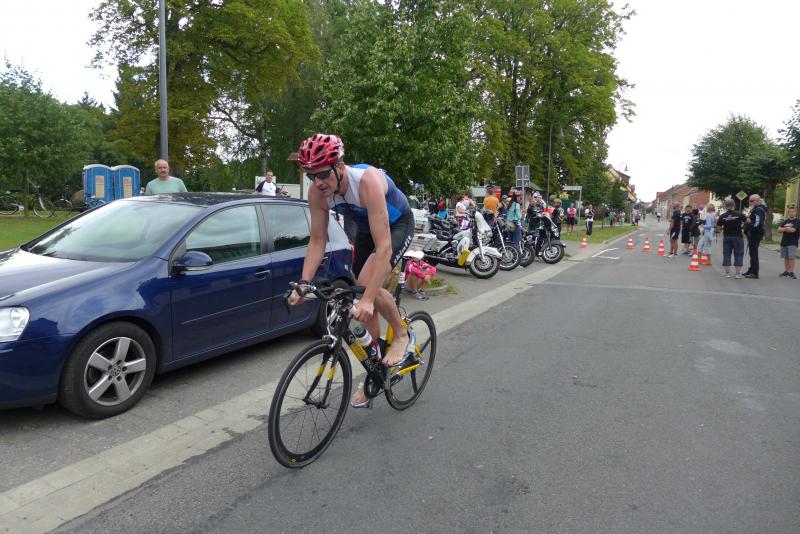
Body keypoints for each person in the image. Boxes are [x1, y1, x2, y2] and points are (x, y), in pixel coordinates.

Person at [287, 133, 414, 408]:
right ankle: (376, 368)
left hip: (397, 224)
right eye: (311, 176)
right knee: (361, 295)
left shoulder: (366, 182)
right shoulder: (318, 193)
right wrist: (304, 283)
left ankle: (401, 334)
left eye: (323, 174)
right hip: (366, 228)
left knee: (369, 288)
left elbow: (384, 248)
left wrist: (368, 298)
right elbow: (317, 240)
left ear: (340, 167)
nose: (318, 182)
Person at [716, 198, 746, 278]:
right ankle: (737, 274)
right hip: (738, 237)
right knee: (739, 254)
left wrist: (721, 230)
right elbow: (748, 221)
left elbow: (718, 228)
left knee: (727, 254)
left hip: (727, 237)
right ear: (734, 205)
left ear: (725, 206)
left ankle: (727, 273)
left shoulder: (723, 216)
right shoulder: (739, 215)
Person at [743, 194, 766, 279]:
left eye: (751, 201)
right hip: (753, 234)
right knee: (752, 253)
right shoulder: (755, 209)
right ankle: (751, 269)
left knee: (754, 254)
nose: (750, 202)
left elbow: (758, 223)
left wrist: (749, 228)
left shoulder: (758, 210)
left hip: (755, 234)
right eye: (749, 201)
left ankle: (754, 272)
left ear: (758, 201)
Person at [777, 204, 798, 279]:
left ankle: (791, 272)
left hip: (792, 242)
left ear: (795, 212)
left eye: (793, 211)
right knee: (786, 257)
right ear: (788, 213)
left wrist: (784, 229)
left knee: (791, 257)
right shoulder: (785, 221)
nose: (792, 213)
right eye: (790, 212)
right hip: (784, 242)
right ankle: (786, 271)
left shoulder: (797, 221)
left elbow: (793, 230)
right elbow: (778, 230)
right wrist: (787, 229)